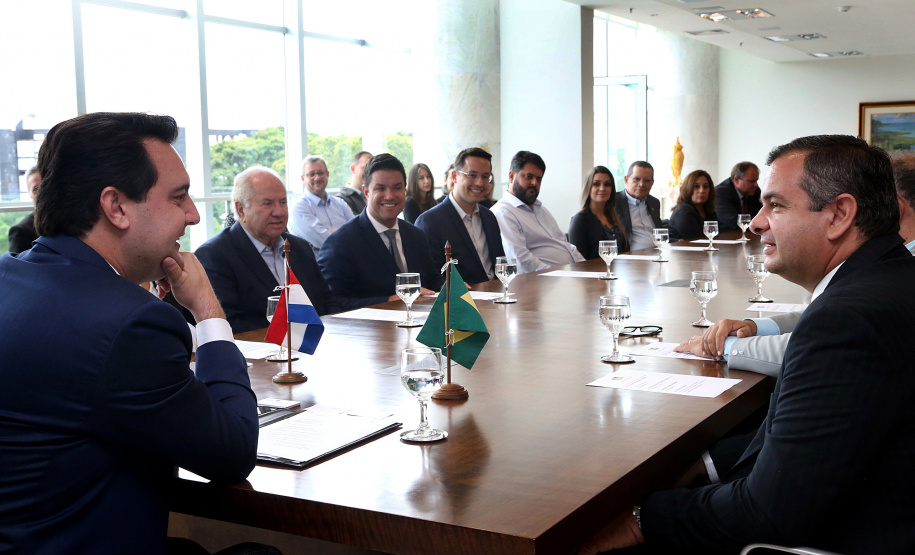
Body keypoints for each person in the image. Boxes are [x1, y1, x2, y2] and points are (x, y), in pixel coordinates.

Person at [580, 134, 915, 554]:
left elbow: (771, 511)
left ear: (839, 215)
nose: (756, 222)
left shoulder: (847, 320)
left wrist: (642, 517)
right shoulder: (890, 279)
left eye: (775, 205)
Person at [0, 113, 262, 553]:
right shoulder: (131, 324)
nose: (194, 215)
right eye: (179, 198)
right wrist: (207, 310)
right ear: (116, 207)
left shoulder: (12, 279)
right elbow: (233, 452)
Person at [675, 151, 915, 376]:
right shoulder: (893, 267)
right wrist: (757, 327)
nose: (756, 224)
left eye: (776, 205)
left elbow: (831, 334)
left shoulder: (877, 287)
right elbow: (825, 318)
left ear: (894, 207)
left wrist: (719, 347)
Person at [195, 166, 340, 334]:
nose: (279, 212)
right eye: (267, 203)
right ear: (241, 209)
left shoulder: (299, 247)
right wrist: (293, 336)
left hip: (317, 347)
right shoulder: (215, 255)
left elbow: (328, 301)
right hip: (262, 355)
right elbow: (229, 324)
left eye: (283, 202)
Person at [318, 153, 443, 310]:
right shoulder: (341, 243)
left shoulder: (415, 235)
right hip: (369, 332)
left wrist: (453, 287)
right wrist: (389, 300)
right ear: (366, 192)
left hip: (421, 328)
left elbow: (432, 280)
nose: (389, 196)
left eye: (397, 188)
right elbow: (333, 304)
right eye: (380, 188)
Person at [415, 147, 505, 285]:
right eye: (472, 175)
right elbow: (430, 277)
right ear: (455, 176)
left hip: (496, 296)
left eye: (485, 177)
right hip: (460, 301)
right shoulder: (430, 221)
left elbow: (500, 264)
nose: (480, 183)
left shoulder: (489, 217)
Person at [491, 150, 585, 274]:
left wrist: (585, 268)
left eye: (539, 179)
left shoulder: (541, 210)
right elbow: (521, 260)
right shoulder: (503, 212)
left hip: (568, 275)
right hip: (541, 282)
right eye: (528, 176)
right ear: (511, 176)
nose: (534, 183)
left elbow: (566, 246)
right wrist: (558, 274)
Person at [288, 155, 354, 249]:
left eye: (320, 173)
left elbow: (357, 232)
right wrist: (346, 232)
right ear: (303, 179)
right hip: (317, 263)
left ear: (327, 174)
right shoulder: (299, 208)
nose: (317, 178)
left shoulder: (340, 203)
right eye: (311, 174)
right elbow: (324, 241)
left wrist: (329, 231)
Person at [568, 166, 629, 258]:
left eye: (607, 184)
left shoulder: (614, 216)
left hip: (619, 270)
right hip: (594, 271)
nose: (602, 188)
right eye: (596, 184)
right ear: (588, 187)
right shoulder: (580, 220)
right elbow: (579, 260)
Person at [614, 161, 664, 251]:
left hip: (658, 253)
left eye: (647, 180)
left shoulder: (654, 202)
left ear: (652, 183)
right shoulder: (614, 202)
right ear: (626, 180)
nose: (641, 184)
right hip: (631, 258)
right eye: (636, 179)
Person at [667, 169, 718, 242]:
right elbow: (697, 240)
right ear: (688, 189)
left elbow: (718, 234)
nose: (702, 190)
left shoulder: (708, 210)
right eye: (696, 186)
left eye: (706, 186)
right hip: (684, 252)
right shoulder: (683, 212)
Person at [716, 161, 762, 232]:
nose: (756, 185)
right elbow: (733, 221)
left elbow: (763, 214)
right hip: (727, 237)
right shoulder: (720, 192)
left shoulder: (755, 191)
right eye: (751, 181)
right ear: (736, 180)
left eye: (756, 181)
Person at [7, 166, 40, 253]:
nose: (42, 192)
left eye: (45, 186)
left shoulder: (71, 222)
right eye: (36, 189)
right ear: (30, 195)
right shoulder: (21, 231)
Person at [335, 150, 371, 215]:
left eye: (372, 169)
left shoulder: (373, 195)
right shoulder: (342, 200)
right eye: (365, 167)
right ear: (353, 169)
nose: (369, 172)